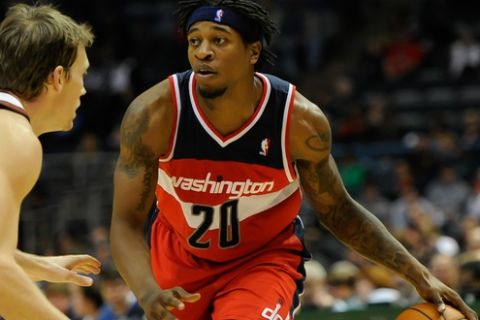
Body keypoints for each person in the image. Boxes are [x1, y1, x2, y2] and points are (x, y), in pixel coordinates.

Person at [110, 1, 478, 320]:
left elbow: (340, 212)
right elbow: (126, 222)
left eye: (218, 40)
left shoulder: (297, 121)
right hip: (177, 261)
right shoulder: (155, 114)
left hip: (261, 262)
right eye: (195, 41)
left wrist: (418, 274)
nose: (202, 52)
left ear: (253, 51)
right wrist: (145, 290)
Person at [0, 3, 101, 320]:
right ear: (58, 77)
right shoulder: (16, 139)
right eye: (81, 74)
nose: (83, 89)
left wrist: (34, 265)